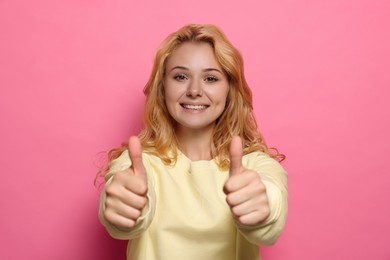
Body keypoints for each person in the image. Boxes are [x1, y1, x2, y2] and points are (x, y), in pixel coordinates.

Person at [98, 24, 288, 260]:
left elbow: (269, 221)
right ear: (162, 88)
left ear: (229, 89)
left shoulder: (258, 166)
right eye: (180, 76)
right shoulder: (136, 165)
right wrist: (125, 209)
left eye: (210, 78)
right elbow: (121, 214)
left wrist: (263, 206)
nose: (195, 90)